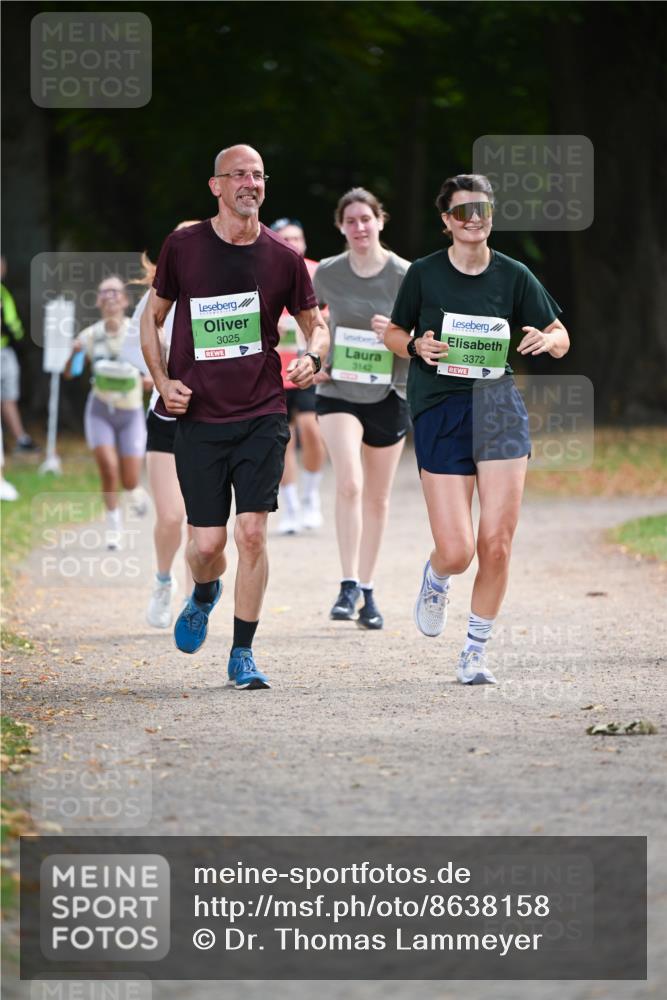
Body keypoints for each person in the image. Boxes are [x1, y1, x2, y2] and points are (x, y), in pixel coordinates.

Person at [140, 144, 329, 690]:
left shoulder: (282, 257)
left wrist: (314, 356)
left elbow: (315, 325)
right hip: (199, 417)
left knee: (250, 534)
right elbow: (151, 321)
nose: (251, 183)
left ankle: (242, 652)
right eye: (239, 175)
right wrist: (163, 381)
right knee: (205, 546)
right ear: (216, 186)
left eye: (259, 176)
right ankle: (203, 593)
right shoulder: (184, 246)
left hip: (262, 412)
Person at [384, 173, 570, 685]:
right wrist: (415, 347)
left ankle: (474, 651)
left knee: (498, 542)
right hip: (440, 407)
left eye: (482, 210)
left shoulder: (513, 275)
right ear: (446, 222)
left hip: (498, 406)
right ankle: (438, 576)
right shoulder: (423, 273)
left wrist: (548, 342)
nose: (473, 220)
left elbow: (560, 334)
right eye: (462, 212)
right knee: (459, 550)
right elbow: (397, 332)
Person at [313, 188, 411, 630]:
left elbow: (424, 341)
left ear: (381, 221)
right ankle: (347, 582)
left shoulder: (406, 275)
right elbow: (308, 322)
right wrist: (314, 359)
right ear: (340, 227)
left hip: (390, 393)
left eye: (365, 219)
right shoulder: (328, 274)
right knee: (349, 482)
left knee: (377, 496)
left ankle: (368, 591)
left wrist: (393, 335)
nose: (359, 228)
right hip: (338, 391)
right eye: (350, 221)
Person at [129, 222, 200, 628]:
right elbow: (135, 348)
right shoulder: (155, 299)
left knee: (200, 520)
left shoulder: (221, 292)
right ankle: (162, 581)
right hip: (165, 416)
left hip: (210, 417)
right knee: (171, 516)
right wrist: (163, 371)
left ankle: (194, 603)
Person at [64, 275, 152, 550]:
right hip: (99, 411)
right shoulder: (89, 335)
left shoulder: (137, 333)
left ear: (125, 300)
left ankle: (135, 491)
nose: (110, 296)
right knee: (108, 468)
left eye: (115, 292)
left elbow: (152, 375)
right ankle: (114, 528)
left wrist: (142, 380)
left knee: (128, 478)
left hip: (131, 413)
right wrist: (73, 354)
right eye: (104, 292)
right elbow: (70, 373)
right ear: (98, 301)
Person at [270, 217, 326, 534]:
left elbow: (328, 319)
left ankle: (311, 495)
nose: (292, 243)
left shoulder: (318, 272)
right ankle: (289, 505)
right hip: (274, 370)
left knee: (311, 429)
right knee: (283, 441)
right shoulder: (262, 271)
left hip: (307, 367)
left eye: (297, 238)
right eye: (285, 239)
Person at [1, 257, 39, 453]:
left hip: (6, 351)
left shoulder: (3, 292)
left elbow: (12, 324)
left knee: (8, 397)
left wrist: (17, 337)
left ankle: (20, 439)